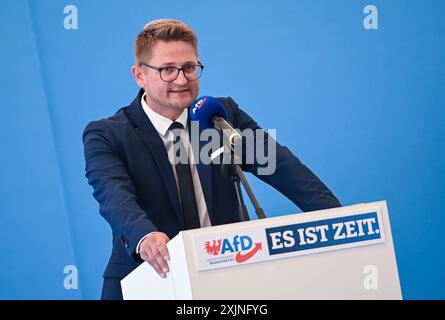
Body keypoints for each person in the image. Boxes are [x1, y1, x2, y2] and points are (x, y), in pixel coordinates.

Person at [82, 18, 341, 300]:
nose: (181, 80)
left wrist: (339, 220)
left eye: (189, 68)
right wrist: (145, 236)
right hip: (148, 279)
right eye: (167, 69)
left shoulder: (220, 116)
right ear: (139, 75)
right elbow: (115, 196)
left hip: (227, 279)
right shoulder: (107, 134)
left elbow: (285, 169)